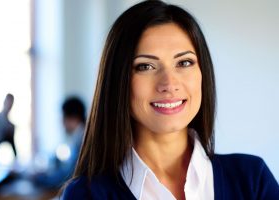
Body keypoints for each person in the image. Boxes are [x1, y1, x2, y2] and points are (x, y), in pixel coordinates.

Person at [62, 1, 279, 199]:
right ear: (118, 81)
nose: (169, 83)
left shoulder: (252, 181)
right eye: (145, 66)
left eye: (184, 63)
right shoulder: (85, 194)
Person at [33, 96, 86, 189]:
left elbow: (68, 176)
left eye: (63, 117)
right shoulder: (80, 135)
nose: (61, 122)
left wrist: (40, 178)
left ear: (73, 118)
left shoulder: (81, 139)